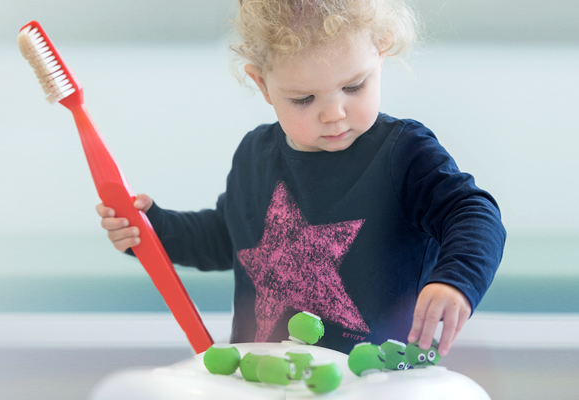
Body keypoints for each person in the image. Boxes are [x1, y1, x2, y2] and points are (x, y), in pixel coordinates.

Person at [95, 0, 504, 356]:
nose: (333, 113)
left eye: (354, 86)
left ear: (380, 52)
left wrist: (456, 280)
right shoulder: (255, 155)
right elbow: (229, 237)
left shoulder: (404, 155)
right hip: (263, 380)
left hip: (375, 384)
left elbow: (473, 214)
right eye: (304, 99)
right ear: (263, 85)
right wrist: (153, 231)